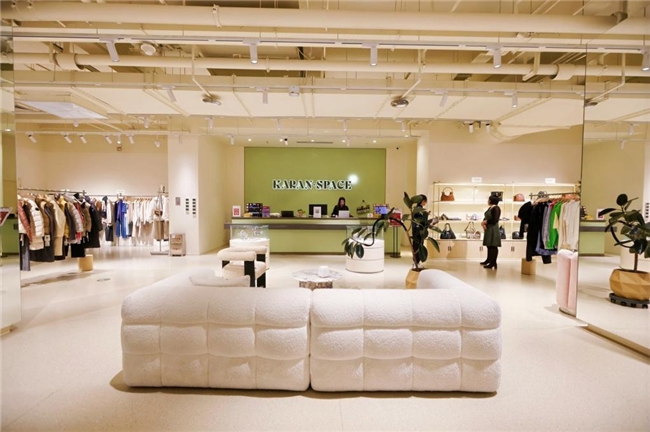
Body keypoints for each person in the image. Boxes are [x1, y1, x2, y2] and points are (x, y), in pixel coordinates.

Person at [481, 195, 502, 269]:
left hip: (493, 229)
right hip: (489, 229)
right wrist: (484, 222)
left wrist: (486, 222)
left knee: (493, 246)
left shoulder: (496, 208)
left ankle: (493, 262)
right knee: (489, 245)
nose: (488, 201)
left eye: (488, 199)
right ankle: (489, 260)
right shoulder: (491, 208)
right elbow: (487, 217)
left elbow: (495, 220)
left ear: (491, 200)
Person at [412, 194, 429, 268]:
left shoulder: (416, 209)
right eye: (425, 201)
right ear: (422, 201)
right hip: (419, 231)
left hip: (416, 231)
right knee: (418, 246)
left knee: (416, 246)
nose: (425, 203)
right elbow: (421, 221)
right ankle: (416, 263)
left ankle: (416, 262)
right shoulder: (419, 210)